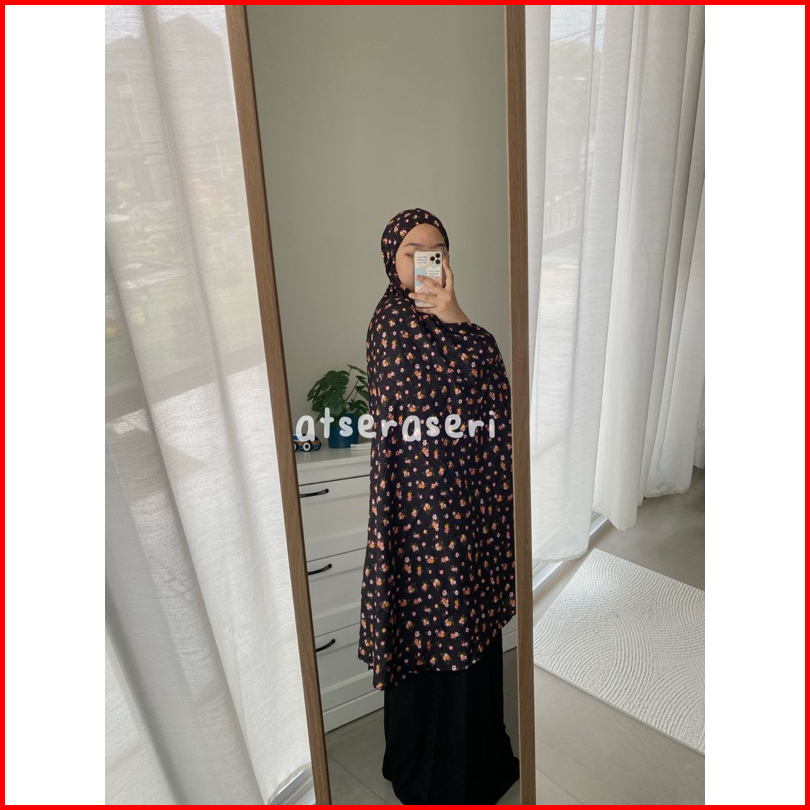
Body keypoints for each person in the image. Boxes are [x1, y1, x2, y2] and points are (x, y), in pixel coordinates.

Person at [357, 207, 520, 804]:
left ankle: (472, 759)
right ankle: (431, 768)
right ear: (392, 260)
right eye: (413, 251)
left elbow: (493, 387)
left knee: (466, 617)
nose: (428, 260)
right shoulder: (389, 324)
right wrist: (455, 334)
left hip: (468, 501)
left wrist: (455, 316)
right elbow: (419, 408)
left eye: (438, 250)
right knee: (429, 622)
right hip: (419, 511)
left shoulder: (458, 323)